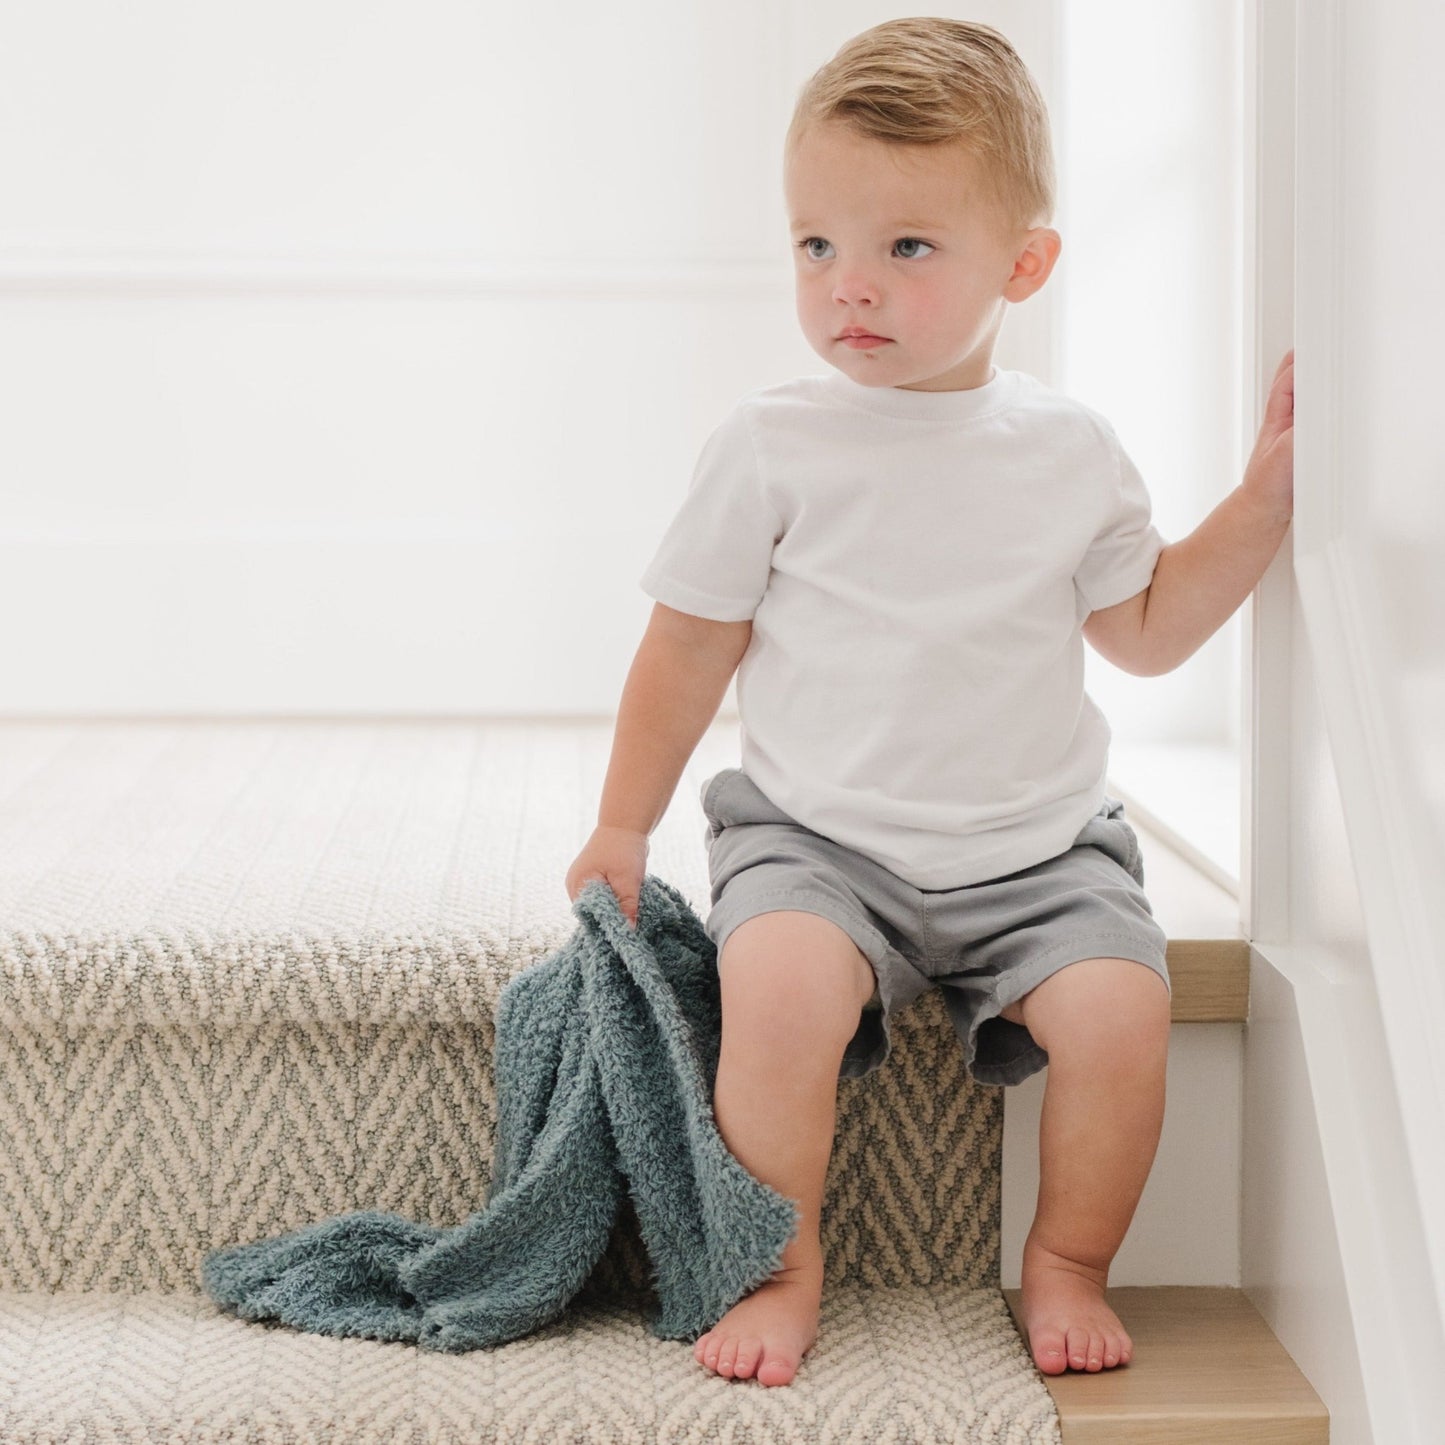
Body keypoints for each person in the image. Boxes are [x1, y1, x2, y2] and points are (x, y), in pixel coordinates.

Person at [565, 15, 1294, 1389]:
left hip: (1035, 851)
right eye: (814, 244)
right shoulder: (772, 443)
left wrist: (1258, 508)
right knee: (773, 987)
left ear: (1022, 263)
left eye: (905, 247)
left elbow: (1141, 632)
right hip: (815, 837)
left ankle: (1065, 1256)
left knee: (1122, 1011)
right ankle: (779, 1262)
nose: (850, 285)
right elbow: (683, 648)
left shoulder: (1066, 450)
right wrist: (621, 822)